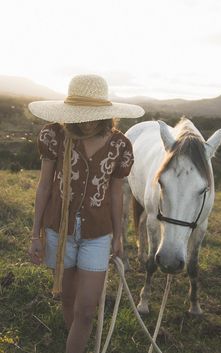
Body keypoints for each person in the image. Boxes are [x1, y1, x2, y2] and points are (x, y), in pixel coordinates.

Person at [28, 74, 144, 353]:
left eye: (93, 115)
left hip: (97, 235)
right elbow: (44, 186)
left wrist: (119, 236)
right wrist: (35, 234)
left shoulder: (120, 146)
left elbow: (116, 194)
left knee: (88, 309)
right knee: (68, 300)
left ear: (105, 114)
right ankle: (76, 341)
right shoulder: (54, 135)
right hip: (59, 230)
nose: (87, 121)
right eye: (81, 114)